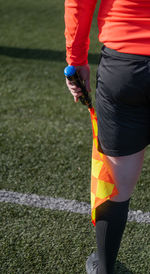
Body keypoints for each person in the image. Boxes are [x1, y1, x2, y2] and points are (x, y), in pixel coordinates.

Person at [64, 0, 150, 273]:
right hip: (125, 65)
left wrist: (76, 59)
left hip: (125, 67)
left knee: (117, 186)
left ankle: (105, 269)